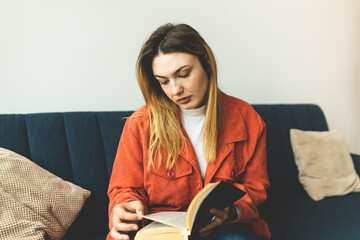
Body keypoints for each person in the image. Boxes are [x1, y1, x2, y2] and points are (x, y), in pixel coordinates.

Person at [107, 23, 271, 240]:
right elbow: (124, 188)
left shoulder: (247, 118)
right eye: (163, 82)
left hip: (225, 228)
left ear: (206, 64)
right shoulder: (140, 124)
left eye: (183, 74)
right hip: (162, 231)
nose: (175, 91)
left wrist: (230, 211)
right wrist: (126, 206)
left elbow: (255, 188)